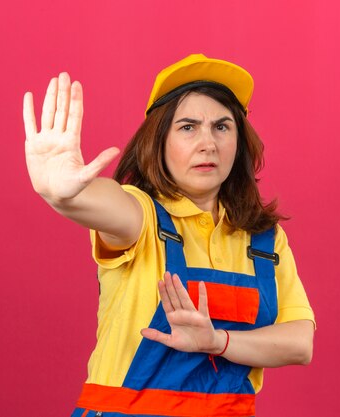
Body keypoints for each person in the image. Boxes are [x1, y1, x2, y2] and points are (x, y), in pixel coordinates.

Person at [23, 54, 315, 417]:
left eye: (222, 127)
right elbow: (102, 205)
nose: (208, 143)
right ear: (158, 142)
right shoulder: (141, 216)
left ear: (239, 142)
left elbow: (300, 342)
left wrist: (216, 342)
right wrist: (63, 194)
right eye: (188, 127)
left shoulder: (264, 239)